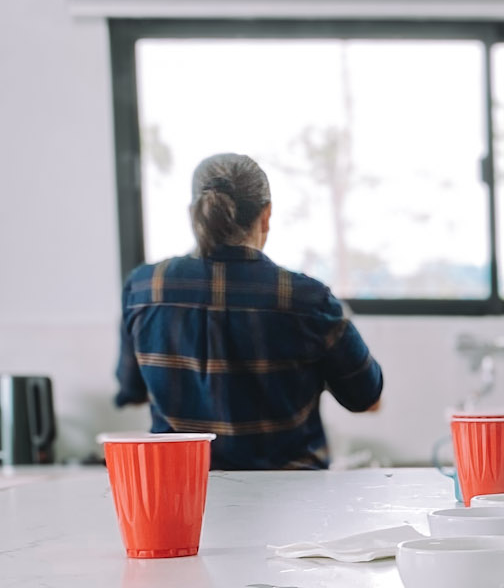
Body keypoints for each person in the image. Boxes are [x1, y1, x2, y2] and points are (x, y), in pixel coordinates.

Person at [115, 153, 384, 469]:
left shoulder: (144, 289)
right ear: (266, 215)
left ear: (193, 215)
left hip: (186, 493)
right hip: (292, 501)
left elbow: (132, 390)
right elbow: (367, 399)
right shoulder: (308, 300)